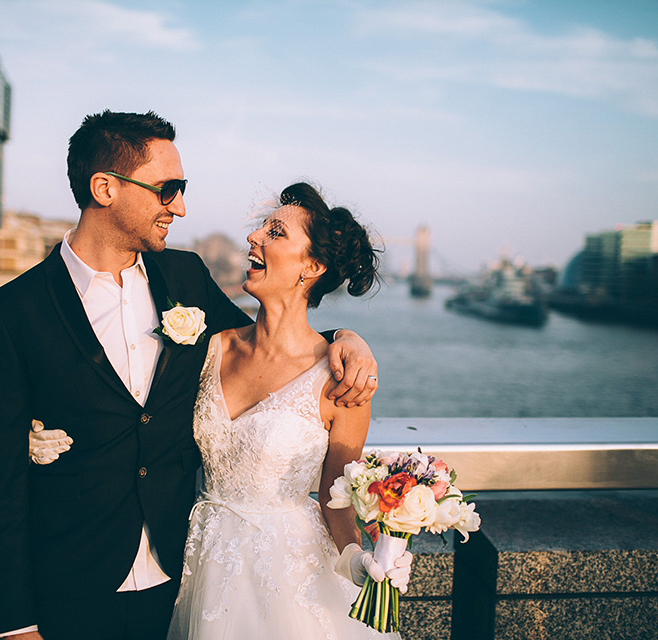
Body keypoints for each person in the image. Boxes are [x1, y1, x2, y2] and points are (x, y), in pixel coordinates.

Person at [0, 111, 379, 640]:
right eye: (169, 189)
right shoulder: (16, 310)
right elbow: (0, 482)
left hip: (181, 583)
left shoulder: (185, 277)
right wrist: (14, 624)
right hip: (72, 585)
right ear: (105, 188)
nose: (181, 207)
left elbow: (280, 348)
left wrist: (347, 338)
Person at [32, 182, 411, 639]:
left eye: (275, 232)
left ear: (311, 266)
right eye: (260, 229)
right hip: (200, 561)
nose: (254, 238)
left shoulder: (342, 383)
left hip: (291, 576)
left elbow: (337, 505)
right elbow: (128, 398)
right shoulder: (209, 347)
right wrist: (40, 428)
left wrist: (359, 565)